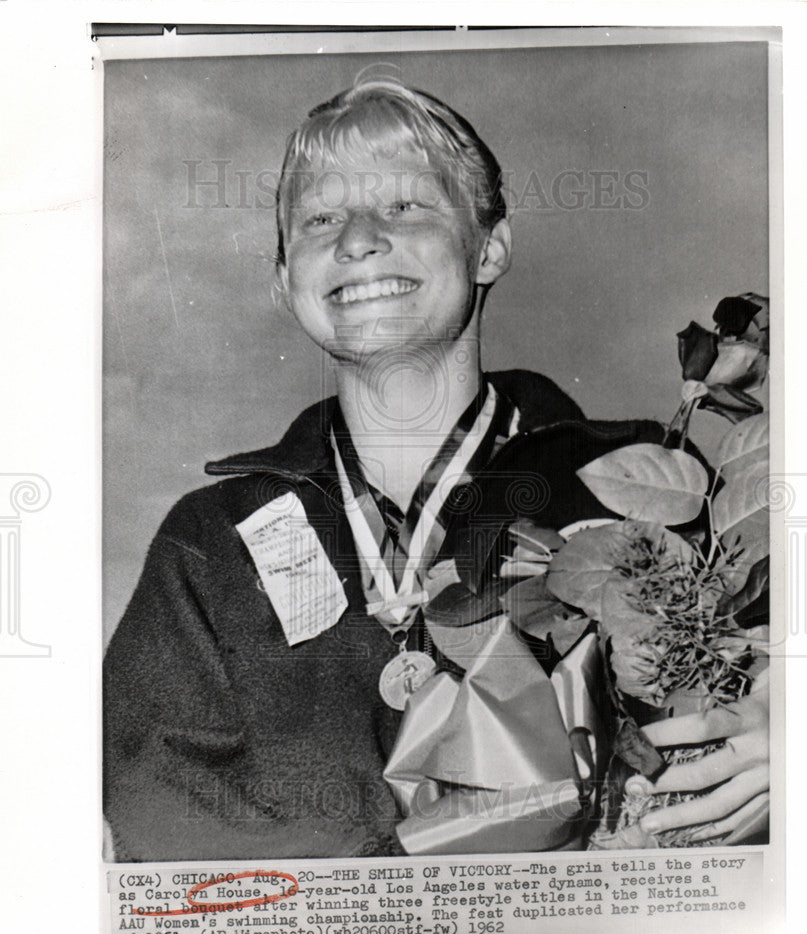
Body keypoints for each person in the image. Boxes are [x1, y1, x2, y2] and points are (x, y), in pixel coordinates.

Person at [103, 80, 768, 861]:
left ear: (489, 247)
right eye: (319, 219)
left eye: (405, 207)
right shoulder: (213, 541)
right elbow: (151, 792)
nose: (356, 240)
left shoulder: (653, 483)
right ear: (284, 280)